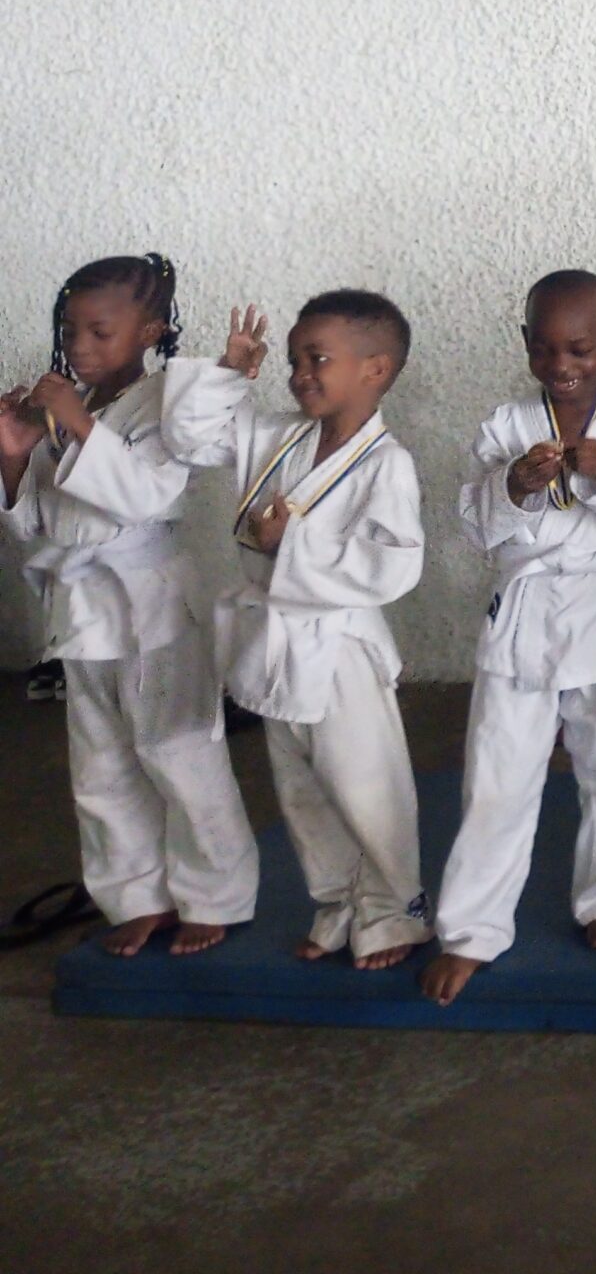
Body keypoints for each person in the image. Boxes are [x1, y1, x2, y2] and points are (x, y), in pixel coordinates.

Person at [422, 270, 596, 1006]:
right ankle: (470, 930)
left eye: (580, 350)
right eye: (545, 350)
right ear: (526, 344)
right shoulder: (505, 426)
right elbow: (474, 527)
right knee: (497, 771)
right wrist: (513, 486)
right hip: (525, 612)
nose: (562, 366)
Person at [0, 255, 258, 957]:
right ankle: (138, 895)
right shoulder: (70, 407)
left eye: (100, 331)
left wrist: (80, 426)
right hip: (83, 608)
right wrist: (16, 455)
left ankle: (215, 895)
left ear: (150, 331)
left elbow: (145, 497)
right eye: (71, 330)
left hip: (151, 601)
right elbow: (34, 526)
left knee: (177, 748)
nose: (80, 345)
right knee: (102, 763)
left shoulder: (168, 400)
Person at [160, 295, 427, 970]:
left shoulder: (385, 463)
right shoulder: (276, 435)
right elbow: (187, 439)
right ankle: (336, 901)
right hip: (274, 638)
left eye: (318, 359)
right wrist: (227, 372)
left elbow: (395, 565)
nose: (300, 373)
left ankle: (396, 912)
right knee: (301, 788)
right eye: (293, 360)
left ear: (375, 369)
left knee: (365, 783)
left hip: (338, 648)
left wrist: (297, 540)